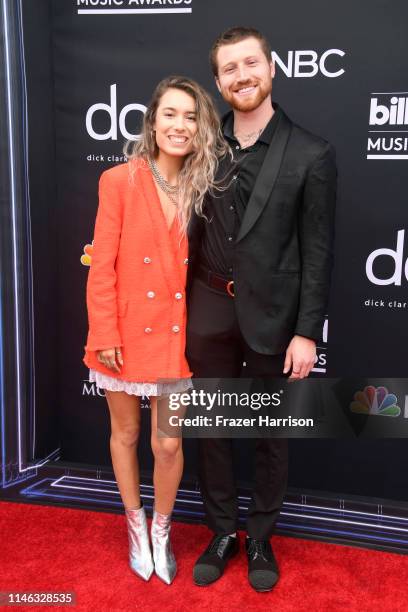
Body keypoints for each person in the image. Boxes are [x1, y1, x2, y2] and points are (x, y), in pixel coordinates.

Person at [186, 27, 337, 592]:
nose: (241, 76)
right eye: (229, 68)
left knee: (271, 431)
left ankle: (262, 535)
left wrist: (307, 331)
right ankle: (222, 530)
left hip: (276, 317)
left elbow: (318, 251)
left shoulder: (311, 153)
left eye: (250, 63)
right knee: (214, 429)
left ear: (271, 69)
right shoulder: (204, 146)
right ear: (219, 81)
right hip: (208, 311)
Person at [83, 76, 227, 585]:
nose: (180, 125)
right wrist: (104, 333)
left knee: (167, 443)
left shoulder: (204, 187)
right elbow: (101, 267)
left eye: (190, 116)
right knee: (125, 433)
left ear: (201, 127)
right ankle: (135, 525)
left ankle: (163, 530)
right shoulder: (119, 181)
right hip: (121, 333)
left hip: (173, 336)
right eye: (170, 114)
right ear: (152, 121)